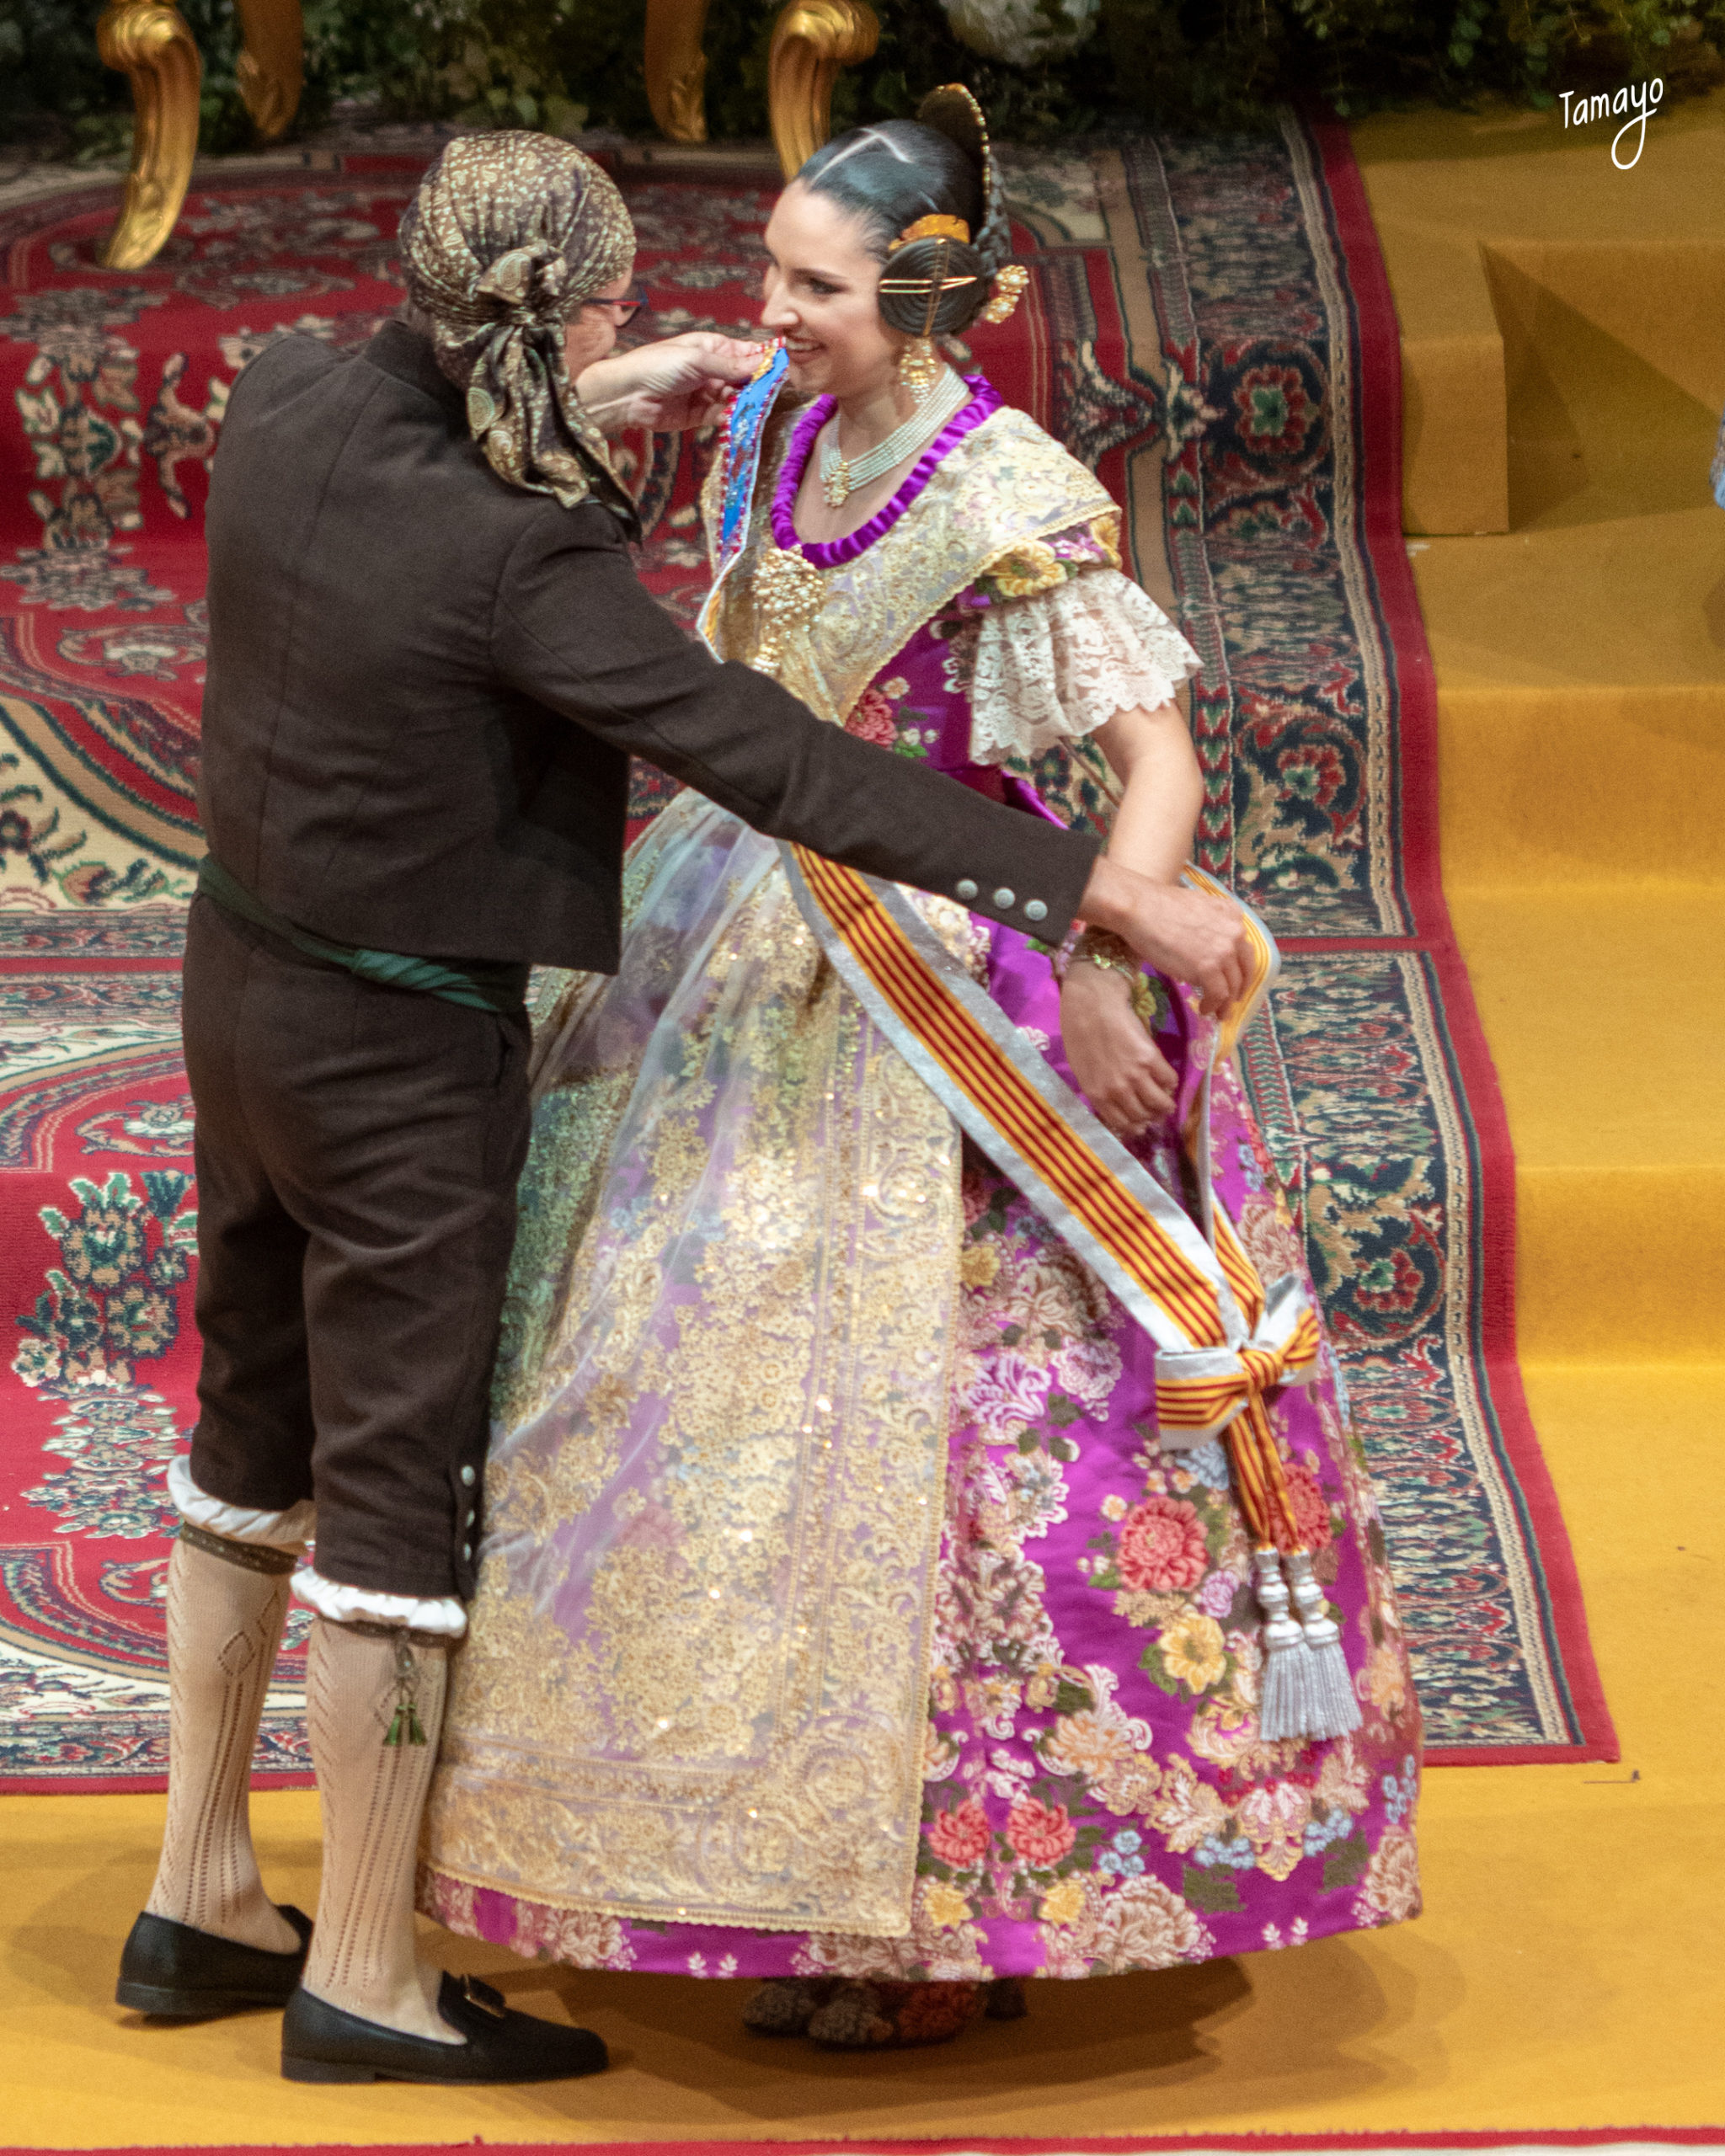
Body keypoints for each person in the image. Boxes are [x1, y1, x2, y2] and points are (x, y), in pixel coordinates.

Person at [115, 129, 1247, 2086]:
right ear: (554, 317)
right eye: (623, 309)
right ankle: (366, 1972)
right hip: (397, 1054)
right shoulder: (523, 555)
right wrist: (1092, 896)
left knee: (247, 1430)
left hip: (239, 992)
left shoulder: (288, 393)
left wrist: (598, 388)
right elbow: (769, 756)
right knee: (391, 1498)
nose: (736, 319)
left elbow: (438, 455)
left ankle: (197, 1885)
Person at [418, 92, 1423, 2052]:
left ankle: (933, 1922)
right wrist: (643, 369)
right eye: (767, 272)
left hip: (939, 947)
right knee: (648, 1393)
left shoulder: (1008, 492)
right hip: (729, 924)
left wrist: (1106, 957)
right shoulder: (777, 417)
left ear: (936, 298)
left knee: (946, 1452)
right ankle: (700, 1850)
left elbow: (1153, 761)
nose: (771, 311)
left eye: (815, 286)